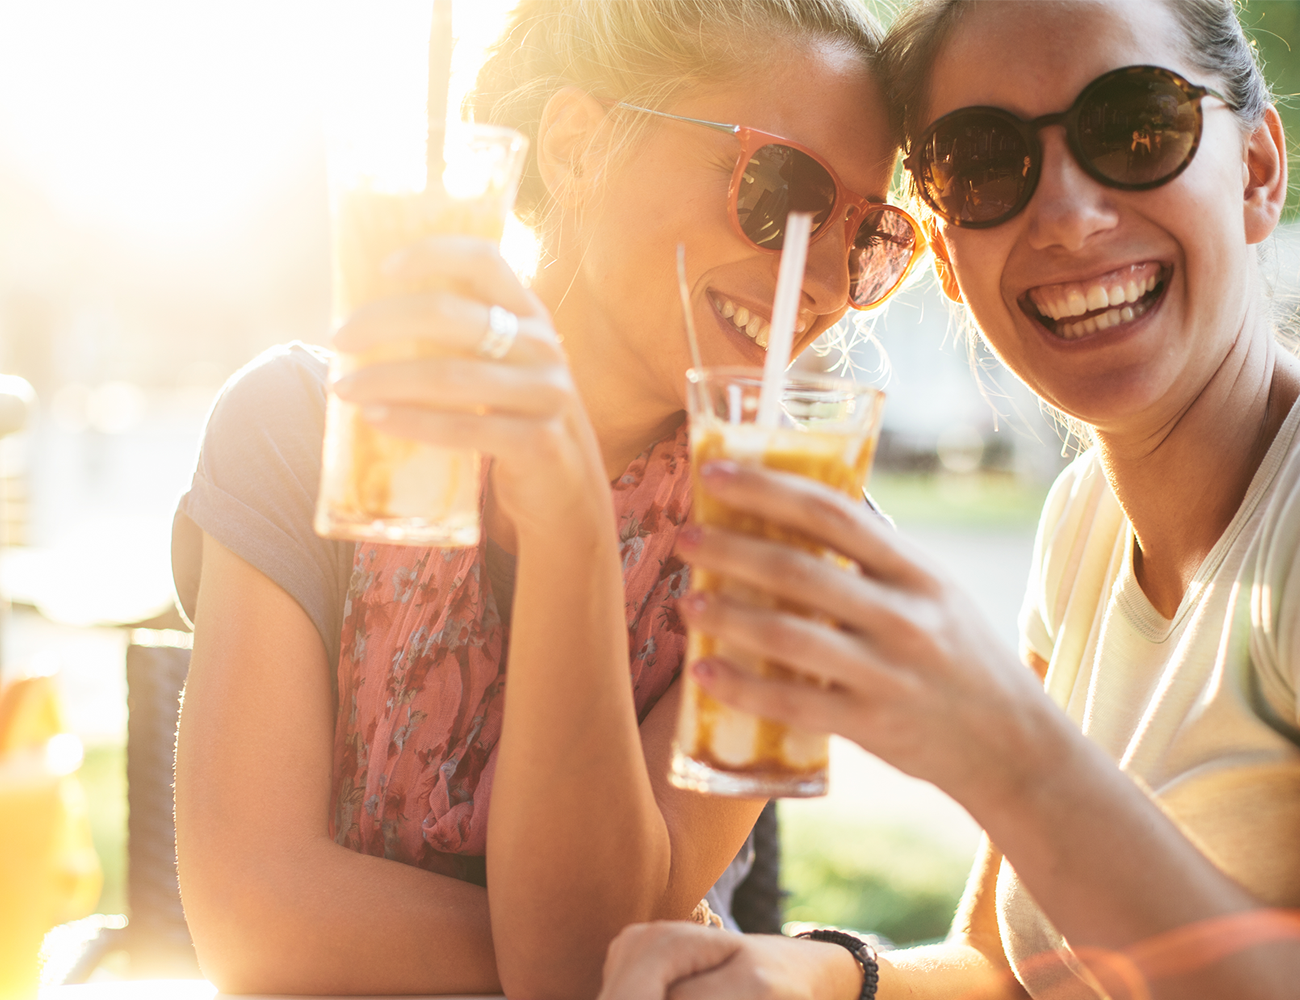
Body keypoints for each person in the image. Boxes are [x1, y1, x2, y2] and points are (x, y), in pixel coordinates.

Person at [596, 1, 1300, 998]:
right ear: (947, 255)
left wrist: (1004, 753)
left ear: (1256, 170)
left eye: (1136, 127)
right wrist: (812, 975)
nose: (1068, 215)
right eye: (982, 162)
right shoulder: (1086, 523)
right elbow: (1002, 967)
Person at [169, 1, 921, 996]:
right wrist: (600, 943)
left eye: (871, 236)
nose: (823, 278)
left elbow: (574, 964)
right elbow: (252, 923)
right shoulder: (308, 423)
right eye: (784, 189)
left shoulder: (796, 530)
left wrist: (569, 517)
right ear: (578, 145)